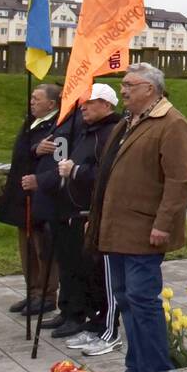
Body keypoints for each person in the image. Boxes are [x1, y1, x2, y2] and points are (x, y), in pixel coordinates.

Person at [87, 63, 187, 372]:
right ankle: (136, 366)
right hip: (118, 227)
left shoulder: (171, 123)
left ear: (150, 88)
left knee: (142, 299)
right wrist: (96, 218)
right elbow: (109, 171)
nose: (123, 91)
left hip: (145, 229)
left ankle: (155, 370)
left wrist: (163, 223)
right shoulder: (128, 121)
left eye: (129, 85)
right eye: (123, 85)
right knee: (125, 298)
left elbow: (180, 180)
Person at [42, 83, 124, 355]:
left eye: (89, 102)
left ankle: (101, 323)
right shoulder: (88, 131)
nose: (83, 107)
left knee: (96, 273)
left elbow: (106, 172)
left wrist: (75, 171)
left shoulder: (110, 132)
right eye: (82, 103)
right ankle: (88, 320)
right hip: (72, 210)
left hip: (92, 212)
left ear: (106, 105)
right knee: (77, 268)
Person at [0, 83, 60, 317]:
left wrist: (36, 151)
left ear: (51, 104)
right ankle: (32, 291)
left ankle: (47, 294)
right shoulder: (31, 122)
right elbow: (23, 151)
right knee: (27, 246)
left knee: (43, 247)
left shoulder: (56, 126)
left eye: (36, 99)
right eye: (31, 98)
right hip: (22, 194)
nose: (31, 102)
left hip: (40, 195)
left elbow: (53, 160)